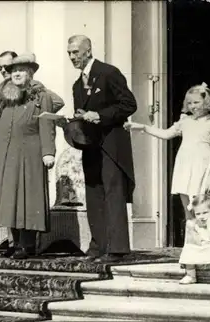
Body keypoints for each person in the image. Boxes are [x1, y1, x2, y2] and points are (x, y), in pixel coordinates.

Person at [0, 51, 65, 258]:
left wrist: (48, 152)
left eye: (21, 70)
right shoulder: (6, 92)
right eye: (13, 70)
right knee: (9, 198)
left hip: (29, 152)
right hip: (4, 153)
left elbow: (48, 123)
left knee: (27, 198)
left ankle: (28, 245)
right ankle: (14, 244)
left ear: (31, 72)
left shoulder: (41, 96)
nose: (15, 73)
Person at [63, 35, 137, 263]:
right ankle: (98, 247)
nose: (72, 57)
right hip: (91, 145)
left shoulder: (108, 73)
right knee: (93, 193)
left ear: (88, 50)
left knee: (113, 193)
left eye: (76, 52)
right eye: (69, 53)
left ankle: (117, 249)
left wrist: (100, 116)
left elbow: (129, 104)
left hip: (111, 143)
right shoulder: (77, 85)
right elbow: (83, 115)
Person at [125, 83, 210, 223]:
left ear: (206, 101)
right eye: (189, 103)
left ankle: (206, 241)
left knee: (203, 207)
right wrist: (142, 126)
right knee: (188, 209)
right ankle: (190, 242)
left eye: (196, 102)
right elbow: (166, 134)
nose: (193, 106)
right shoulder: (185, 121)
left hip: (201, 166)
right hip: (185, 165)